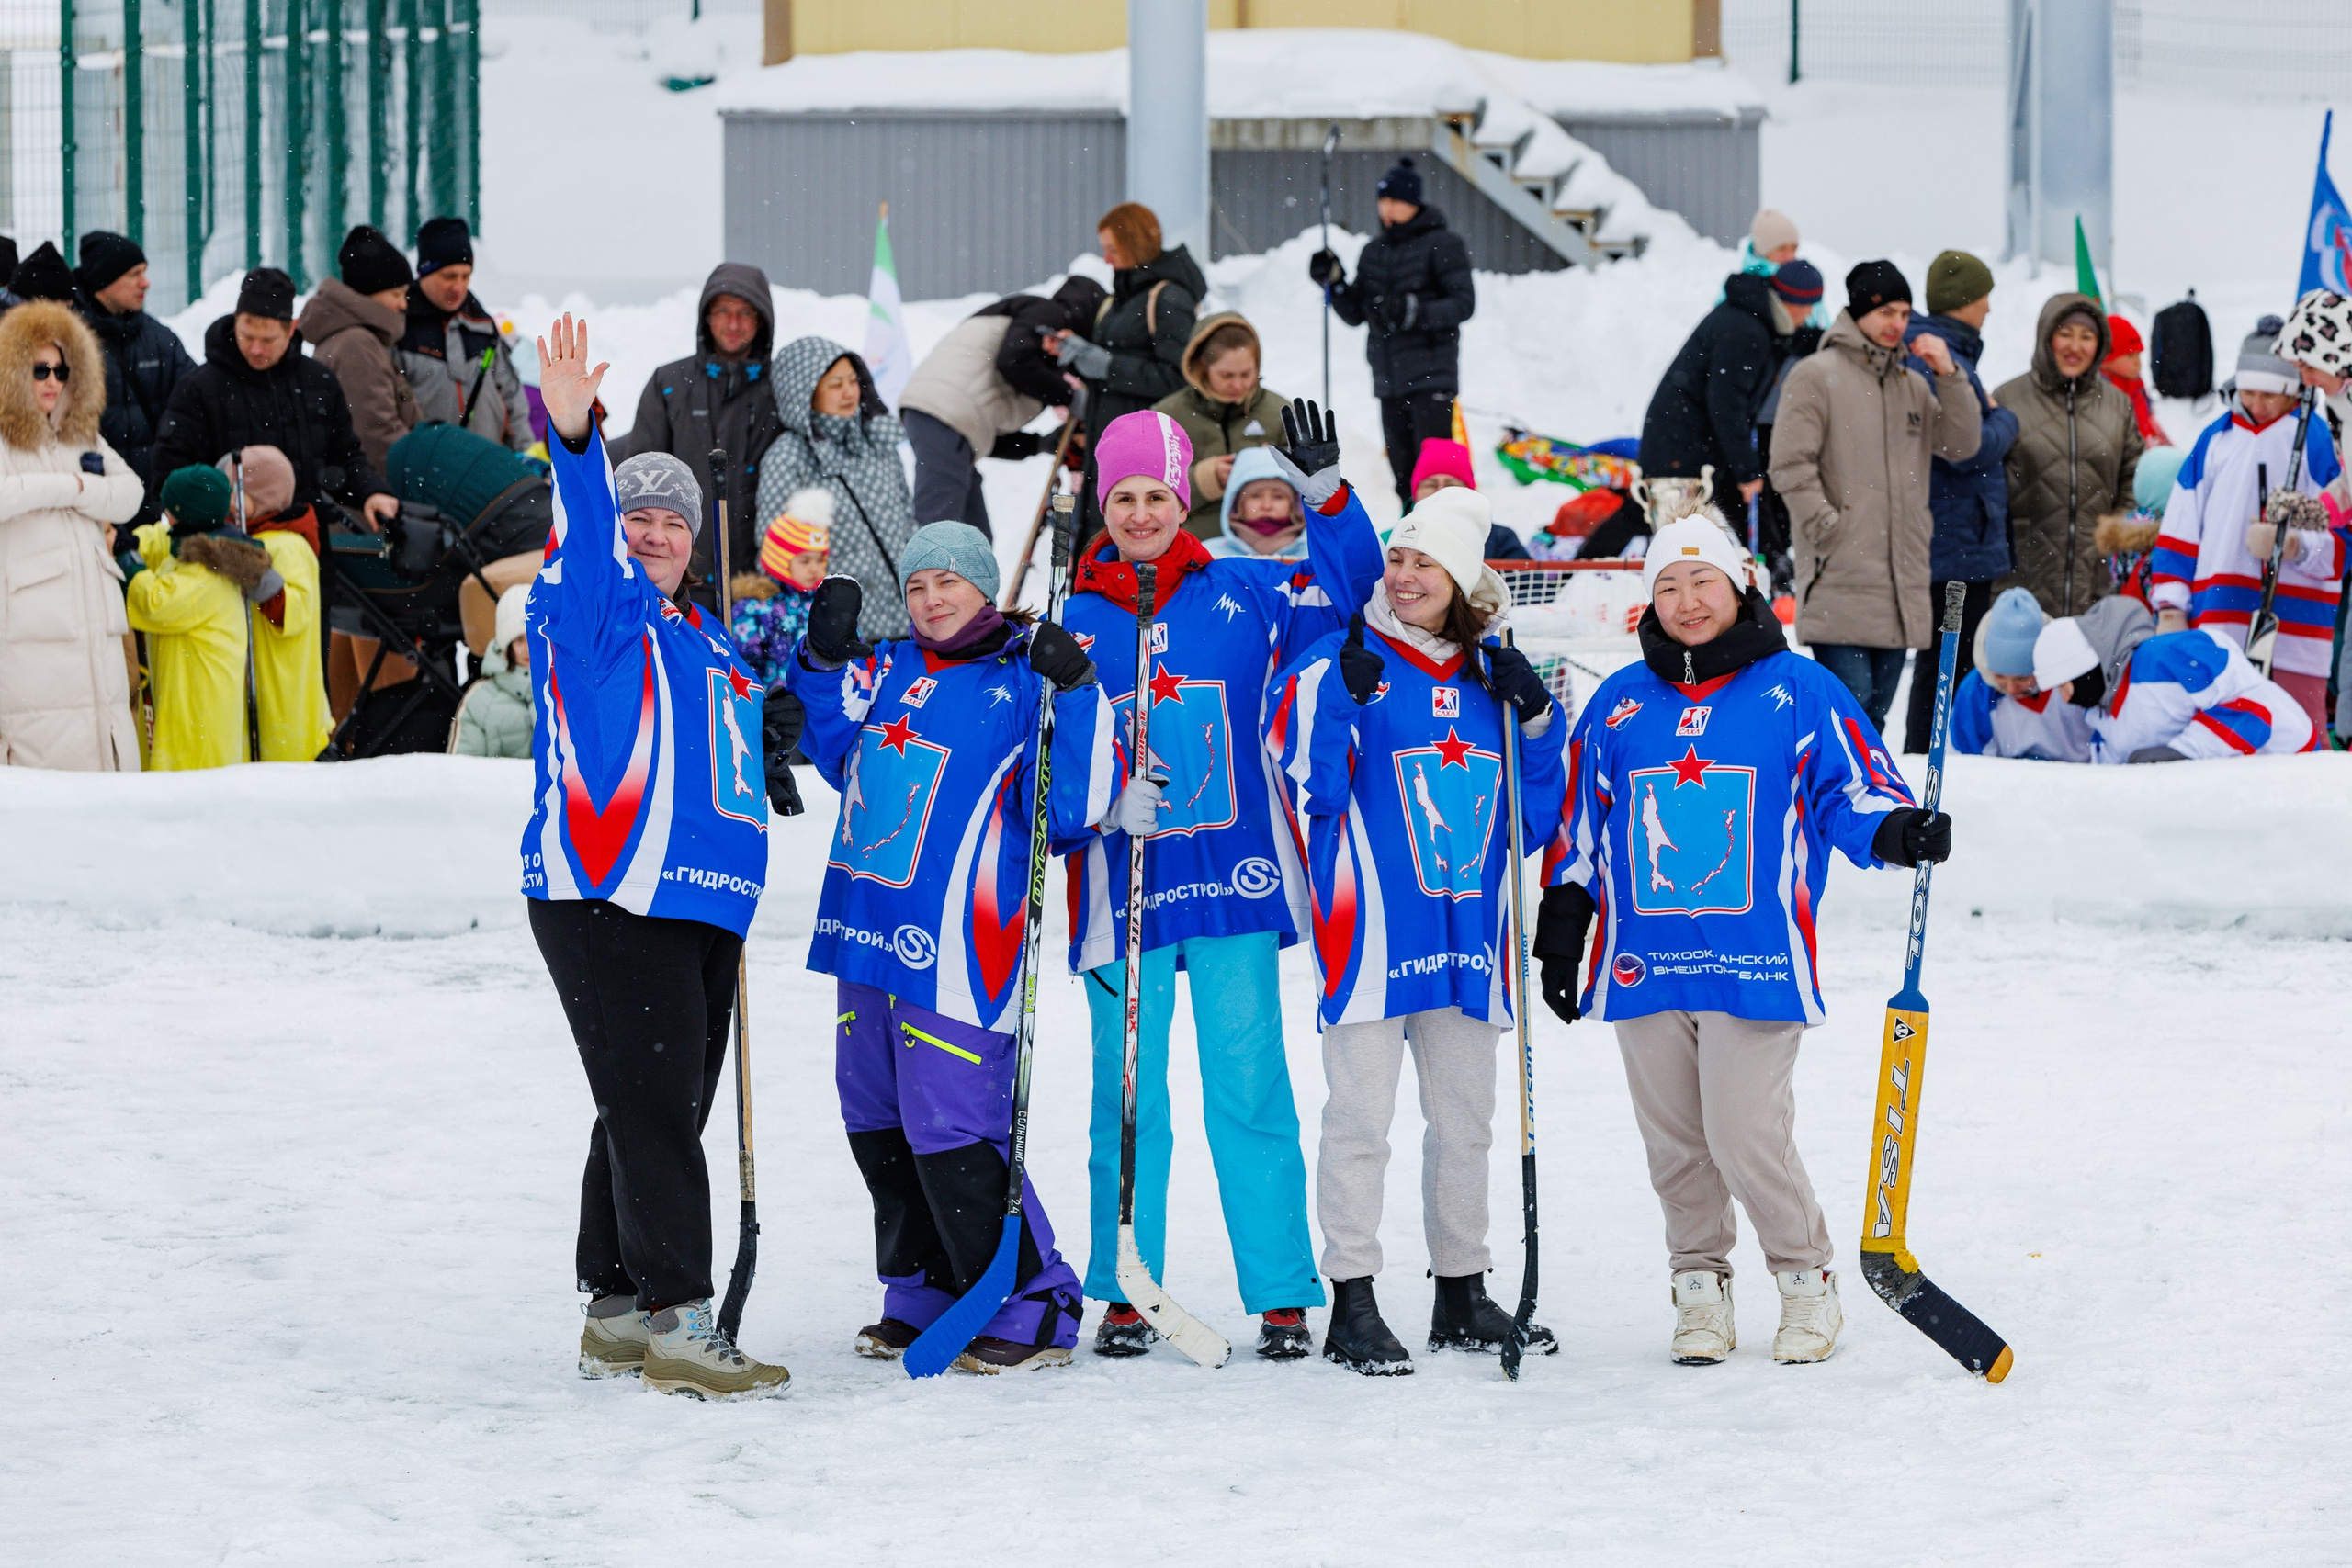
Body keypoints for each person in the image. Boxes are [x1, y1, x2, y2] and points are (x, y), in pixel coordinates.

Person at [1541, 513, 1951, 1367]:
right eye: (1668, 585)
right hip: (1644, 959)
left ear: (1739, 589)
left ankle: (1806, 1282)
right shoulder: (1620, 701)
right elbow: (1580, 823)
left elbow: (1852, 793)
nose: (1687, 601)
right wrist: (1564, 918)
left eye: (1704, 583)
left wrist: (1897, 831)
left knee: (1743, 1131)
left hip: (1757, 956)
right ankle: (1699, 1289)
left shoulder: (1798, 688)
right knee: (1675, 1145)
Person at [1059, 401, 1380, 1361]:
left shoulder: (1245, 590)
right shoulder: (1071, 621)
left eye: (1157, 493)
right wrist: (1101, 801)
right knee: (1128, 1099)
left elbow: (1355, 592)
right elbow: (1048, 758)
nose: (1142, 513)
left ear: (1181, 500)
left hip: (1231, 882)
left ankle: (1280, 1291)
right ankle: (1125, 1285)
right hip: (1123, 891)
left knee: (1248, 1087)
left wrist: (1327, 497)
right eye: (1124, 496)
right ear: (1102, 505)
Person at [526, 313, 802, 1401]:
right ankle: (681, 1318)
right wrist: (569, 436)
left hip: (703, 905)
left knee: (652, 1107)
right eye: (636, 516)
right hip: (611, 893)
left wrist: (774, 734)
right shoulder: (595, 607)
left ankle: (614, 1304)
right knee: (650, 1109)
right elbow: (586, 534)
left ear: (697, 538)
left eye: (669, 520)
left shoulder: (707, 641)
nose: (650, 531)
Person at [788, 524, 1110, 1372]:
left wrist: (1076, 692)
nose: (932, 600)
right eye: (919, 583)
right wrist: (820, 664)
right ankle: (927, 1287)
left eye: (950, 583)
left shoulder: (1026, 674)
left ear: (985, 586)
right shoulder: (890, 667)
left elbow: (1074, 810)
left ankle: (1037, 1302)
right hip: (865, 927)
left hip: (964, 940)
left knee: (952, 1122)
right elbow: (829, 748)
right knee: (877, 1119)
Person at [1266, 484, 1564, 1375]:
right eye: (1394, 559)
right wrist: (1339, 705)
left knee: (1465, 1120)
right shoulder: (1340, 655)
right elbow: (1305, 788)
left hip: (1469, 932)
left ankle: (1460, 1287)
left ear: (1463, 578)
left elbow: (1533, 822)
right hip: (1368, 933)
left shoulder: (1495, 673)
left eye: (1422, 563)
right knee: (1359, 1120)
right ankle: (1351, 1297)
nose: (1400, 577)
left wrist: (1539, 720)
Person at [1768, 260, 1982, 728]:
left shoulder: (1911, 384)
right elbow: (1788, 465)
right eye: (1887, 312)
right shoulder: (1815, 375)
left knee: (1875, 716)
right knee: (1848, 714)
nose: (1897, 325)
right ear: (1860, 311)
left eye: (1905, 314)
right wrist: (1828, 527)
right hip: (1840, 570)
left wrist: (1949, 375)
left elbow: (1961, 444)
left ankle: (1863, 803)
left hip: (1900, 578)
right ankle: (1827, 801)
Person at [2149, 333, 2344, 732]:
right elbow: (2181, 527)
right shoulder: (2214, 440)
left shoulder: (2320, 440)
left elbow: (2343, 535)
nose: (2257, 405)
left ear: (2295, 391)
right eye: (2249, 392)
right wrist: (2171, 603)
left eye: (2271, 395)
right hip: (2218, 616)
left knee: (2300, 732)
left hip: (2298, 626)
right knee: (2218, 730)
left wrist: (2295, 546)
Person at [0, 298, 147, 770]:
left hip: (97, 669)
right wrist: (74, 489)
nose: (52, 382)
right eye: (40, 369)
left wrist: (72, 487)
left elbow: (130, 494)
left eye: (62, 371)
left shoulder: (81, 435)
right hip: (33, 670)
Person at [148, 267, 399, 532]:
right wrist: (219, 504)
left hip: (305, 543)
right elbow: (170, 474)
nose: (256, 349)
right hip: (227, 548)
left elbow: (344, 458)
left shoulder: (318, 382)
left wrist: (372, 492)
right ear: (235, 323)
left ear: (291, 329)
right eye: (248, 336)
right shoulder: (198, 388)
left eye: (268, 340)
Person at [1897, 249, 2020, 753]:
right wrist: (2006, 421)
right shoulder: (1934, 357)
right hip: (1954, 541)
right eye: (1984, 296)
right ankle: (1929, 765)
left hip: (1958, 536)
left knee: (1947, 662)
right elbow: (1965, 448)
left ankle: (1939, 761)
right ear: (1964, 300)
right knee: (1946, 664)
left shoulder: (1947, 352)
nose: (1989, 307)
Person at [1310, 158, 1476, 508]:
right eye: (1382, 201)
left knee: (1435, 467)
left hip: (1432, 375)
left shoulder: (1443, 244)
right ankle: (1410, 522)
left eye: (1395, 201)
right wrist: (1335, 282)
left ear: (1413, 202)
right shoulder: (1374, 251)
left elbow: (1463, 304)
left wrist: (1411, 310)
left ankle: (1445, 519)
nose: (1387, 208)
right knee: (1402, 470)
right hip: (1389, 379)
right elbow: (1357, 313)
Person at [897, 277, 1103, 536]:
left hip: (941, 413)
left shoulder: (1036, 348)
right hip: (943, 408)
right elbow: (1014, 360)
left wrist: (1041, 444)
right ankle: (921, 573)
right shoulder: (1048, 313)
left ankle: (953, 570)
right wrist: (1070, 396)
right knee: (939, 526)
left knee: (974, 535)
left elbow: (986, 433)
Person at [626, 262, 782, 588]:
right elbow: (642, 481)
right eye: (723, 310)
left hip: (757, 587)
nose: (733, 323)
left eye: (745, 313)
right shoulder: (669, 384)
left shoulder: (780, 391)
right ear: (707, 317)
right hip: (677, 578)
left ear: (762, 322)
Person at [754, 337, 915, 644]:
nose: (849, 392)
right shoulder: (789, 457)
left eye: (854, 381)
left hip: (905, 622)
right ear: (804, 391)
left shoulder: (879, 443)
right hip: (839, 633)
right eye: (835, 384)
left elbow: (908, 521)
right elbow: (774, 551)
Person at [1995, 293, 2142, 622]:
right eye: (2065, 334)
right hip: (2022, 578)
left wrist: (2116, 530)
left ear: (2100, 345)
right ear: (2047, 338)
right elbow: (1990, 482)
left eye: (2086, 337)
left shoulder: (2117, 406)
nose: (2075, 347)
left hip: (2094, 579)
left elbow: (2134, 474)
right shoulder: (2009, 398)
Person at [2032, 593, 2315, 761]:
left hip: (2291, 759)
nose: (2066, 699)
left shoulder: (2165, 658)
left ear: (2085, 671)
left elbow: (2254, 712)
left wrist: (2180, 753)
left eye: (2064, 685)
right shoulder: (2101, 721)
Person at [122, 465, 277, 771]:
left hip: (201, 708)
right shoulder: (202, 549)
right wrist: (131, 542)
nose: (165, 515)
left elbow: (157, 604)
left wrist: (129, 563)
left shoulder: (205, 574)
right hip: (191, 696)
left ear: (184, 514)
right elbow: (159, 542)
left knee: (197, 779)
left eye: (170, 509)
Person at [1637, 271, 1792, 522]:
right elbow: (1727, 405)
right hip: (1682, 448)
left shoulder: (1747, 319)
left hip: (1684, 443)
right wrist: (1747, 471)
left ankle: (1584, 558)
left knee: (1657, 516)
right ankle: (1583, 559)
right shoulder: (1746, 332)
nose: (1807, 315)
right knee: (1678, 528)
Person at [72, 230, 196, 536]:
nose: (146, 283)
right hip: (90, 509)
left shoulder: (161, 341)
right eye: (134, 274)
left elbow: (195, 406)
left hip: (149, 510)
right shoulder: (68, 341)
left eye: (145, 272)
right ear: (103, 281)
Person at [397, 217, 533, 452]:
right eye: (449, 276)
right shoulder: (400, 327)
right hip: (423, 474)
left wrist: (526, 457)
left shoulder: (482, 326)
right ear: (424, 272)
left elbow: (512, 398)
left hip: (487, 470)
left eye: (465, 276)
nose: (458, 287)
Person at [1151, 310, 1289, 539]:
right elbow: (1148, 497)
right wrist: (1203, 479)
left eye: (1247, 374)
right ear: (1202, 366)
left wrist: (1277, 472)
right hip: (1193, 552)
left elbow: (1313, 492)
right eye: (1226, 375)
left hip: (1270, 555)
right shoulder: (1168, 416)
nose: (1238, 385)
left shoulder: (1281, 413)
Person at [299, 225, 421, 471]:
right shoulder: (357, 345)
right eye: (396, 294)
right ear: (368, 295)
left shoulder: (354, 338)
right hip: (370, 499)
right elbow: (377, 436)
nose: (402, 304)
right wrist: (423, 473)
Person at [1947, 585, 2094, 761]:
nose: (2011, 688)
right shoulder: (1975, 693)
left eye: (2022, 678)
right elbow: (1966, 762)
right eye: (1999, 676)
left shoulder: (2075, 681)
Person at [1751, 261, 1826, 588]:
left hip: (1788, 420)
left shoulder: (1809, 336)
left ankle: (1782, 559)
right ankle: (1776, 561)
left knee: (1784, 491)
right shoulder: (1761, 325)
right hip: (1762, 423)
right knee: (1766, 492)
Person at [729, 485, 829, 689]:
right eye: (805, 561)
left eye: (820, 560)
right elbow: (744, 667)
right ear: (781, 560)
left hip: (825, 707)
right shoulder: (756, 609)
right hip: (775, 711)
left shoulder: (827, 604)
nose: (815, 569)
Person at [449, 582, 534, 759]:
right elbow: (461, 773)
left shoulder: (569, 690)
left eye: (533, 637)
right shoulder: (480, 701)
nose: (528, 649)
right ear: (506, 645)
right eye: (519, 640)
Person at [1407, 436, 1527, 558]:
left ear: (1470, 492)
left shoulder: (1500, 540)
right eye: (1430, 485)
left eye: (1451, 485)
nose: (1440, 492)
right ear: (1415, 494)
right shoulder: (1393, 540)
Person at [1204, 445, 1306, 561]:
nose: (1266, 506)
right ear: (1237, 504)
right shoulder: (1209, 554)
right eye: (1256, 496)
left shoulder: (1316, 554)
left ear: (1295, 504)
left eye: (1278, 497)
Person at [2102, 315, 2171, 448]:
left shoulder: (2137, 386)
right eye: (2130, 355)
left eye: (2138, 355)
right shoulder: (2102, 393)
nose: (2137, 363)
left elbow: (2149, 423)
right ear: (2107, 358)